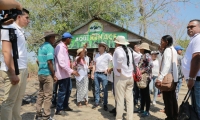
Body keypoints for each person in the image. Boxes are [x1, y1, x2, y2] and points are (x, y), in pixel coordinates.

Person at [0, 8, 30, 120]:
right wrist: (12, 73)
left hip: (21, 69)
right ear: (18, 17)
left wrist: (25, 70)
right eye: (26, 18)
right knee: (8, 102)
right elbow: (6, 52)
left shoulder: (19, 30)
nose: (28, 20)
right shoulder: (8, 28)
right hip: (12, 70)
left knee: (18, 100)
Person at [35, 31, 58, 120]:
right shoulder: (49, 47)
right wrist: (54, 74)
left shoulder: (41, 47)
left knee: (40, 94)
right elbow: (49, 62)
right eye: (54, 37)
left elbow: (37, 61)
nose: (54, 39)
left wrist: (41, 68)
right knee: (48, 96)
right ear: (50, 38)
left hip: (40, 73)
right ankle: (46, 116)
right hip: (47, 74)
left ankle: (38, 114)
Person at [54, 32, 79, 115]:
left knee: (68, 91)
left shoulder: (64, 47)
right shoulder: (60, 47)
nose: (71, 40)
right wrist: (72, 71)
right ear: (67, 39)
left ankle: (65, 106)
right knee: (62, 92)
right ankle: (59, 109)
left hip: (66, 74)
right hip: (62, 74)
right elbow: (61, 63)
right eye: (70, 39)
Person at [156, 35, 178, 120]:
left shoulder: (168, 50)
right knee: (172, 98)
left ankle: (170, 116)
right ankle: (174, 115)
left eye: (162, 41)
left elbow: (166, 65)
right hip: (173, 77)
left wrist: (160, 78)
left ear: (166, 42)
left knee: (167, 99)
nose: (160, 43)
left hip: (167, 77)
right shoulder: (173, 50)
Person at [182, 19, 200, 119]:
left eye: (192, 26)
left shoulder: (198, 38)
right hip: (195, 80)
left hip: (197, 80)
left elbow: (197, 58)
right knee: (196, 109)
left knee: (198, 109)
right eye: (188, 27)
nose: (189, 29)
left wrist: (192, 79)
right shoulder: (194, 39)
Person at [113, 36, 134, 120]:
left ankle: (119, 118)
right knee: (129, 99)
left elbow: (121, 57)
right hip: (130, 76)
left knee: (120, 99)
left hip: (121, 77)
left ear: (118, 43)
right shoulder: (129, 49)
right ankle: (130, 118)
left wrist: (118, 67)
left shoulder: (118, 50)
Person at [91, 42, 112, 111]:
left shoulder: (108, 55)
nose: (98, 47)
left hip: (104, 74)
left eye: (100, 46)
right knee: (97, 89)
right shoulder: (96, 55)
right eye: (98, 46)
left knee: (105, 90)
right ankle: (97, 102)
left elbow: (112, 63)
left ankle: (105, 104)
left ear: (104, 47)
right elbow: (94, 65)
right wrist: (92, 73)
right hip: (96, 73)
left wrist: (108, 70)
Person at [136, 43, 153, 117]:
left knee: (146, 94)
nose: (140, 49)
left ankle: (147, 110)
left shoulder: (147, 55)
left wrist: (142, 71)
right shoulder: (143, 55)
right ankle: (142, 108)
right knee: (142, 93)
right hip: (142, 77)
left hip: (146, 77)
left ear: (144, 48)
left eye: (141, 48)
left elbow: (151, 65)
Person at [133, 43, 142, 110]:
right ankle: (135, 101)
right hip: (134, 72)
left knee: (140, 87)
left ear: (139, 48)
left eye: (135, 47)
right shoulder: (133, 53)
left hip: (140, 73)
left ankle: (139, 100)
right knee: (135, 88)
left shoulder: (142, 55)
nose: (134, 48)